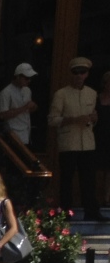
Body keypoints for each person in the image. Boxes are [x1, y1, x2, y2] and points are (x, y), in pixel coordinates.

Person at [48, 57, 103, 221]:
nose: (79, 75)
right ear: (71, 74)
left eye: (82, 72)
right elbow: (52, 119)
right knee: (66, 179)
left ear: (87, 74)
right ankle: (65, 212)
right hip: (69, 143)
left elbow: (94, 117)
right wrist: (73, 120)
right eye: (76, 72)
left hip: (87, 143)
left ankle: (91, 211)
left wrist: (94, 118)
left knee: (88, 180)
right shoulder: (61, 94)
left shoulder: (92, 94)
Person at [0, 63, 38, 146]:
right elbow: (2, 115)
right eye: (26, 78)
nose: (28, 81)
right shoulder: (6, 93)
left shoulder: (27, 91)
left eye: (30, 78)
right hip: (12, 134)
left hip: (26, 133)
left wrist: (33, 107)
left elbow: (30, 109)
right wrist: (25, 107)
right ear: (18, 76)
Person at [97, 71, 110, 210]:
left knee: (109, 170)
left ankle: (106, 199)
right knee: (98, 169)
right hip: (99, 136)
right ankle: (96, 197)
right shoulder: (97, 98)